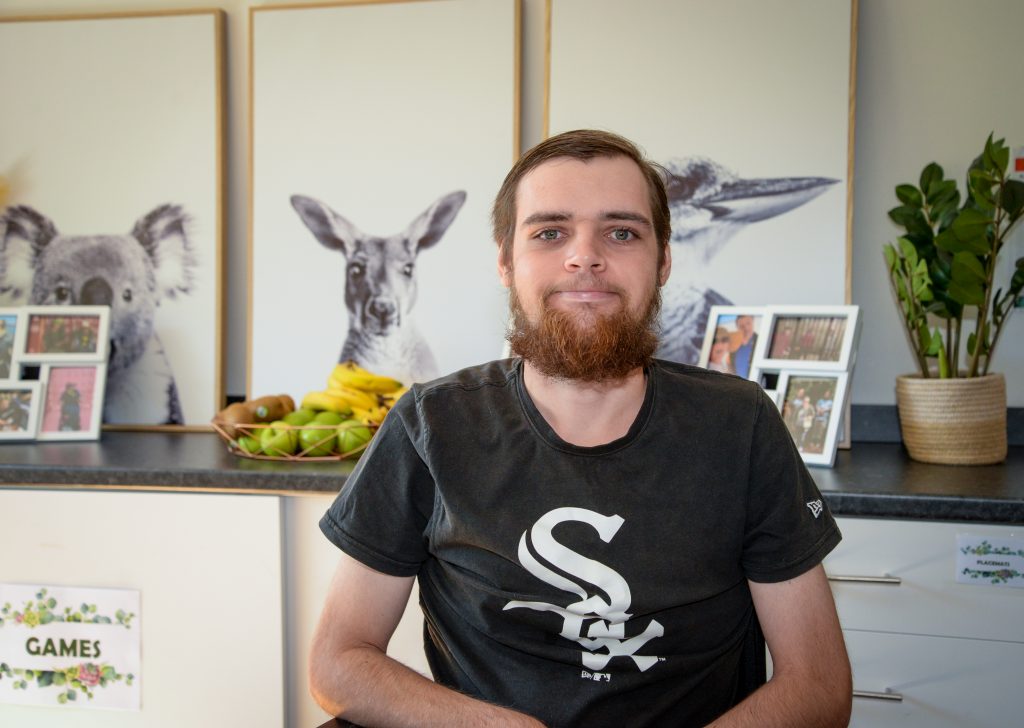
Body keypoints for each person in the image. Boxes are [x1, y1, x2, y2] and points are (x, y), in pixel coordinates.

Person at [309, 130, 852, 727]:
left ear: (663, 260)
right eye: (549, 233)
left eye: (621, 232)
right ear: (505, 262)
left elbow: (819, 685)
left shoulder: (741, 424)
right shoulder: (430, 425)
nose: (584, 257)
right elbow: (339, 661)